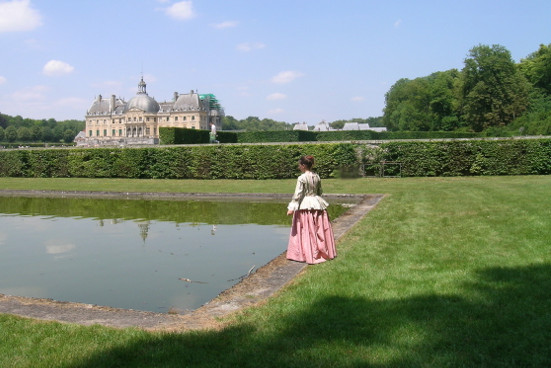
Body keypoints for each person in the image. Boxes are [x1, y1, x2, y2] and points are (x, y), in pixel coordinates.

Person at [286, 155, 337, 264]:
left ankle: (307, 253)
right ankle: (321, 251)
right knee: (318, 229)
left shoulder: (302, 178)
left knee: (307, 230)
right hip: (317, 203)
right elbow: (319, 192)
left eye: (300, 165)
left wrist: (291, 208)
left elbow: (298, 194)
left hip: (306, 205)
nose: (299, 167)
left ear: (303, 165)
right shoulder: (317, 176)